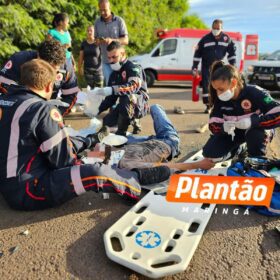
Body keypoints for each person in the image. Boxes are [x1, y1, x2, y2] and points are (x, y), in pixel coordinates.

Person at [0, 59, 170, 211]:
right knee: (92, 171)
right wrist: (85, 159)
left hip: (9, 179)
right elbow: (63, 161)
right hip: (28, 190)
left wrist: (87, 142)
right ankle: (134, 179)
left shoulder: (7, 100)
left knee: (68, 141)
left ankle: (90, 139)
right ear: (48, 87)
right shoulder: (42, 109)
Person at [203, 60, 280, 162]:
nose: (218, 93)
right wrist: (223, 127)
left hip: (257, 131)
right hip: (234, 133)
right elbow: (213, 124)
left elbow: (278, 115)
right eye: (216, 89)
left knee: (254, 139)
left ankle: (256, 154)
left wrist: (253, 122)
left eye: (221, 89)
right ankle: (240, 149)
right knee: (210, 154)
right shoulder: (221, 99)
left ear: (234, 82)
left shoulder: (255, 93)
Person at [0, 40, 78, 116]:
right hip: (15, 109)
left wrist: (55, 114)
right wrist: (23, 106)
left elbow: (71, 96)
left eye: (54, 69)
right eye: (45, 68)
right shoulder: (19, 60)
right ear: (38, 56)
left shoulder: (67, 68)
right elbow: (2, 86)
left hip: (46, 112)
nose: (49, 73)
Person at [91, 41, 149, 136]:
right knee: (107, 123)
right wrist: (95, 110)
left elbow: (133, 87)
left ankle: (122, 133)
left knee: (127, 97)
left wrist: (111, 89)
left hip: (140, 103)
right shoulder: (114, 74)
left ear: (123, 54)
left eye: (114, 57)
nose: (111, 61)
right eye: (109, 57)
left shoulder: (133, 67)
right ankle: (130, 121)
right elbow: (110, 100)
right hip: (125, 104)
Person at [192, 19, 236, 114]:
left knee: (220, 86)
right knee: (207, 87)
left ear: (221, 28)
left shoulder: (226, 39)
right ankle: (208, 106)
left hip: (219, 67)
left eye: (218, 28)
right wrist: (194, 67)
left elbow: (232, 53)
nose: (215, 29)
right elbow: (197, 53)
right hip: (206, 67)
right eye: (214, 28)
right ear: (211, 27)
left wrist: (233, 66)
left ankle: (219, 105)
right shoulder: (205, 39)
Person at [94, 0, 128, 85]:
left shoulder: (119, 21)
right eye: (101, 10)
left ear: (110, 8)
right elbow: (95, 41)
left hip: (119, 60)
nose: (103, 12)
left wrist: (112, 40)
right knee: (110, 84)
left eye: (105, 10)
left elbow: (126, 40)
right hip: (106, 60)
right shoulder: (97, 22)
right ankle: (110, 98)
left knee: (122, 84)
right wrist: (98, 41)